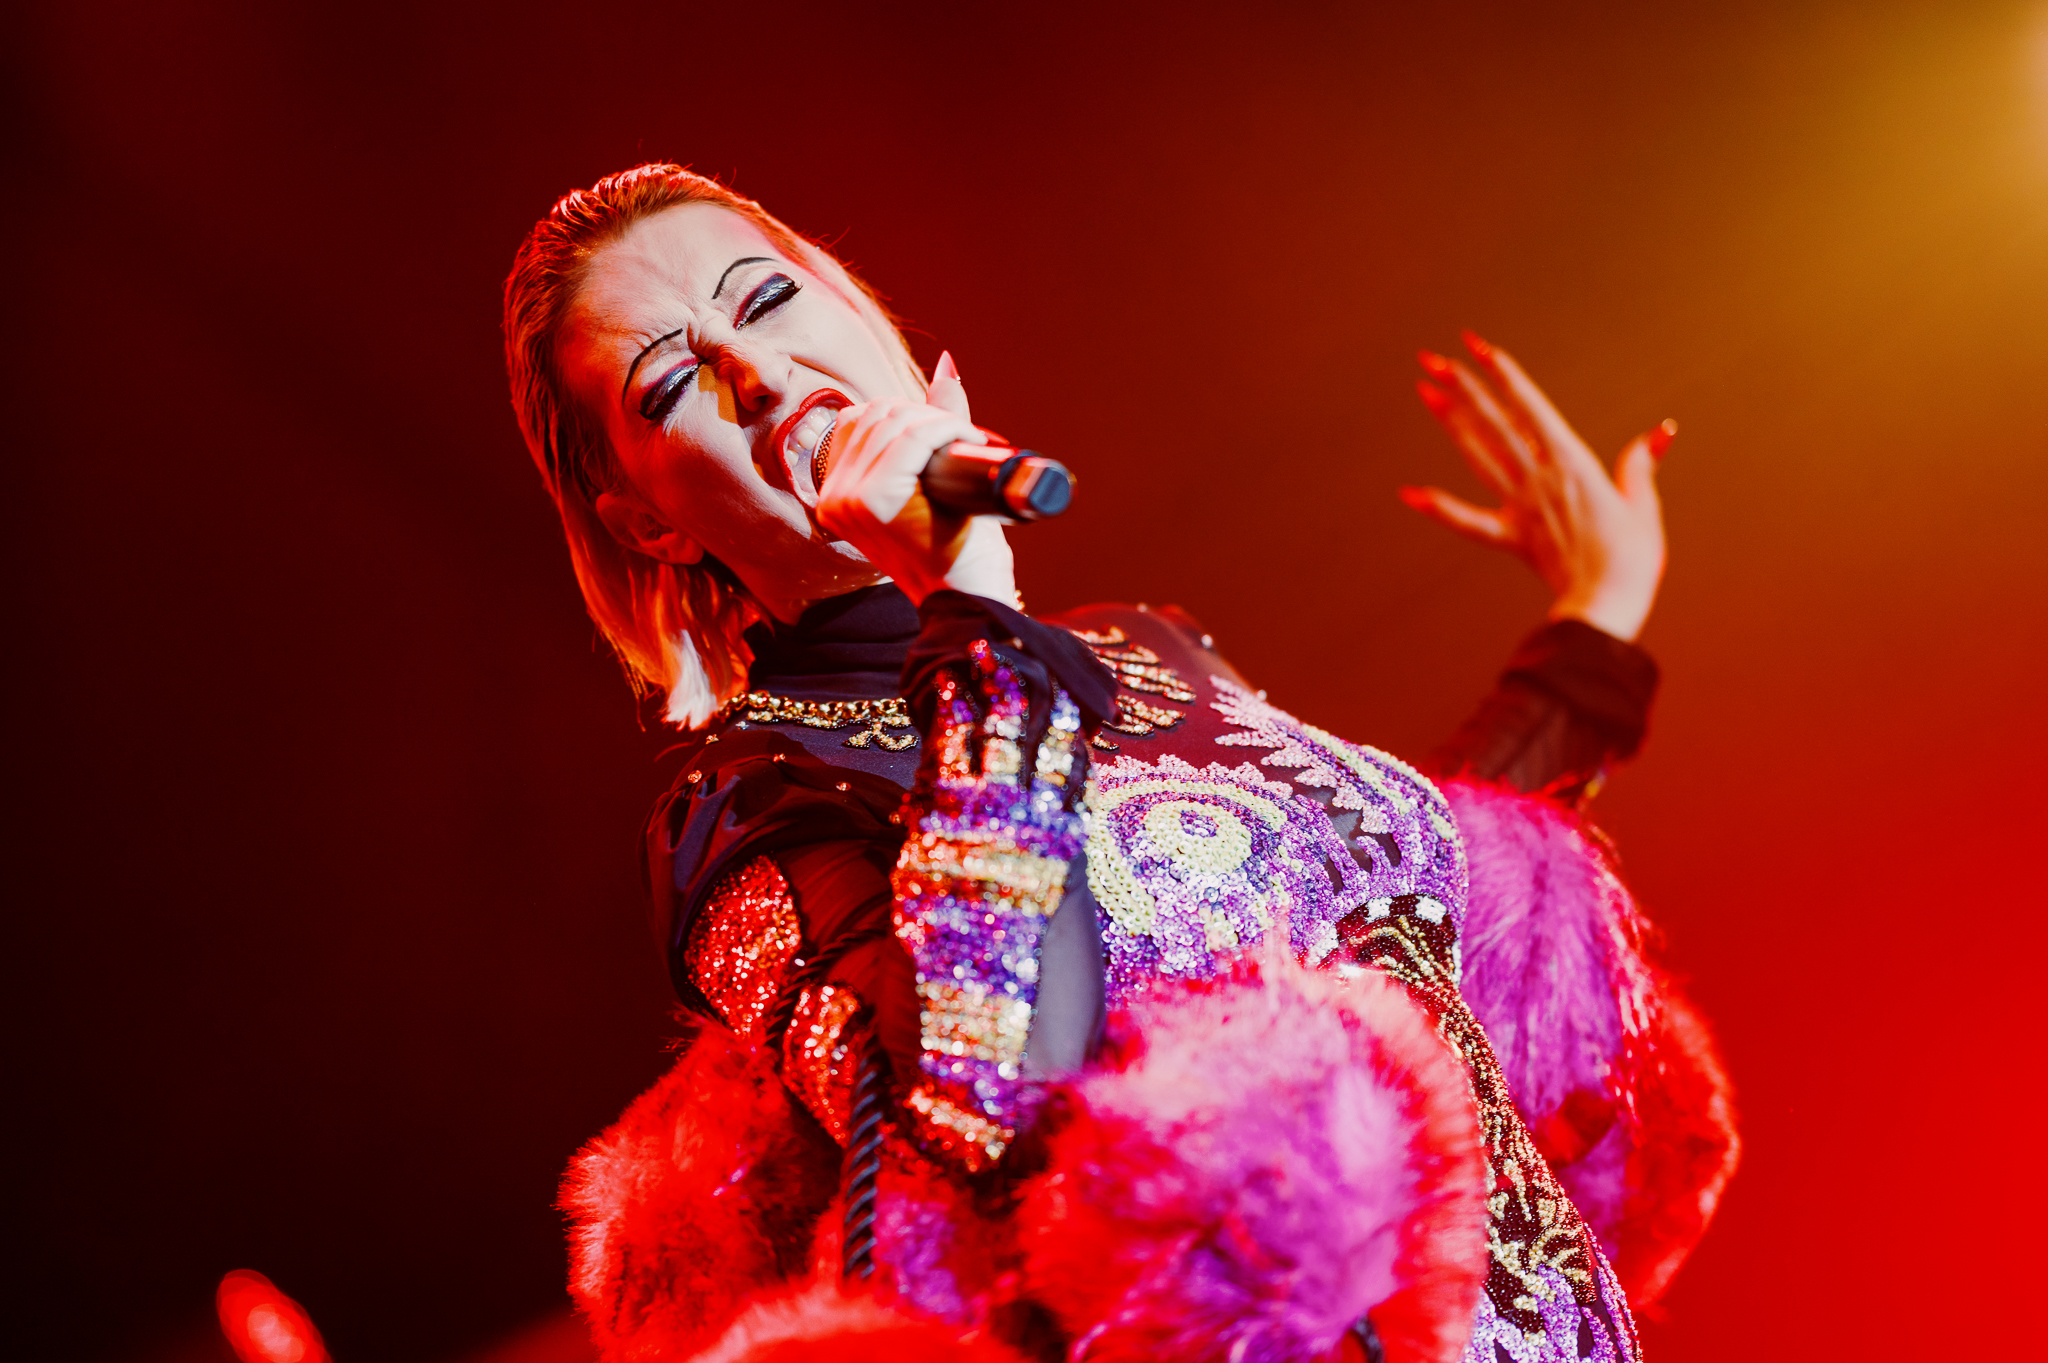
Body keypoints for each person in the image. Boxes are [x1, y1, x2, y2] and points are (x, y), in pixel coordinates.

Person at [504, 164, 1737, 1363]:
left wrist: (1595, 623)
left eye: (766, 301)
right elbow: (988, 1093)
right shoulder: (747, 789)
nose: (760, 375)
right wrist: (969, 606)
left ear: (862, 315)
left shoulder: (1142, 647)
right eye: (674, 383)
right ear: (647, 521)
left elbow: (1401, 912)